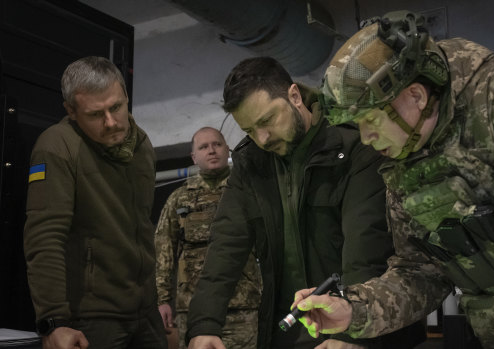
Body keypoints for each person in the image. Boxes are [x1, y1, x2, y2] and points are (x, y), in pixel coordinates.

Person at [291, 10, 494, 349]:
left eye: (370, 121)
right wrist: (353, 310)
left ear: (416, 96)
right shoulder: (405, 156)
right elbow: (421, 271)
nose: (365, 138)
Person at [185, 57, 426, 349]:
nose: (262, 138)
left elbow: (366, 245)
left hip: (362, 331)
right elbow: (226, 244)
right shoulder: (252, 163)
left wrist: (350, 333)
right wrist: (204, 325)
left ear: (295, 96)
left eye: (267, 121)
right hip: (287, 333)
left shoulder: (352, 144)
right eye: (249, 130)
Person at [23, 56, 166, 349]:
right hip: (91, 317)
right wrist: (54, 321)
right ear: (71, 112)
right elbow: (44, 237)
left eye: (116, 107)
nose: (111, 122)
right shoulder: (57, 146)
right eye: (95, 114)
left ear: (126, 97)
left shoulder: (143, 146)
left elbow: (141, 228)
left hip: (145, 312)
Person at [155, 126, 262, 349]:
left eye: (217, 144)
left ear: (227, 149)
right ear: (194, 157)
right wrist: (162, 300)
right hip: (193, 307)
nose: (211, 150)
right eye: (203, 147)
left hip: (242, 305)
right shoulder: (179, 199)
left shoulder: (249, 192)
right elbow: (163, 250)